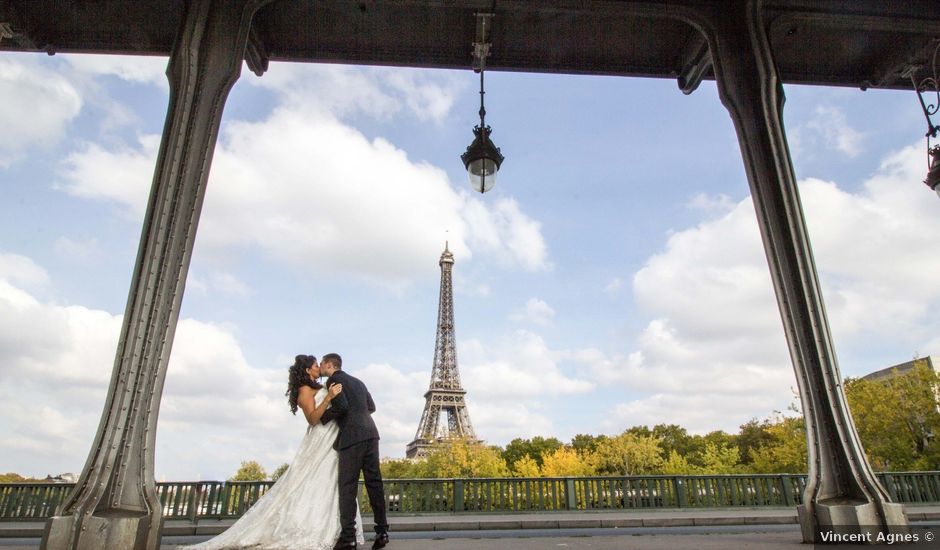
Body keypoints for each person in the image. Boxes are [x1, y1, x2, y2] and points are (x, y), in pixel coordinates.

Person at [180, 354, 364, 550]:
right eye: (315, 365)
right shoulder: (304, 390)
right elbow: (312, 419)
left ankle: (337, 529)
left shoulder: (320, 386)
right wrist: (328, 397)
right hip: (320, 437)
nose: (319, 367)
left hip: (332, 436)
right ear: (307, 370)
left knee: (332, 479)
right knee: (312, 477)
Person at [318, 353, 389, 550]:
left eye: (322, 363)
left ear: (330, 365)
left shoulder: (333, 380)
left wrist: (323, 416)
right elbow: (371, 407)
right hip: (371, 434)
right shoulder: (359, 382)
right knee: (374, 484)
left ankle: (348, 537)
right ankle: (382, 532)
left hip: (352, 437)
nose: (320, 366)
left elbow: (341, 406)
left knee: (347, 487)